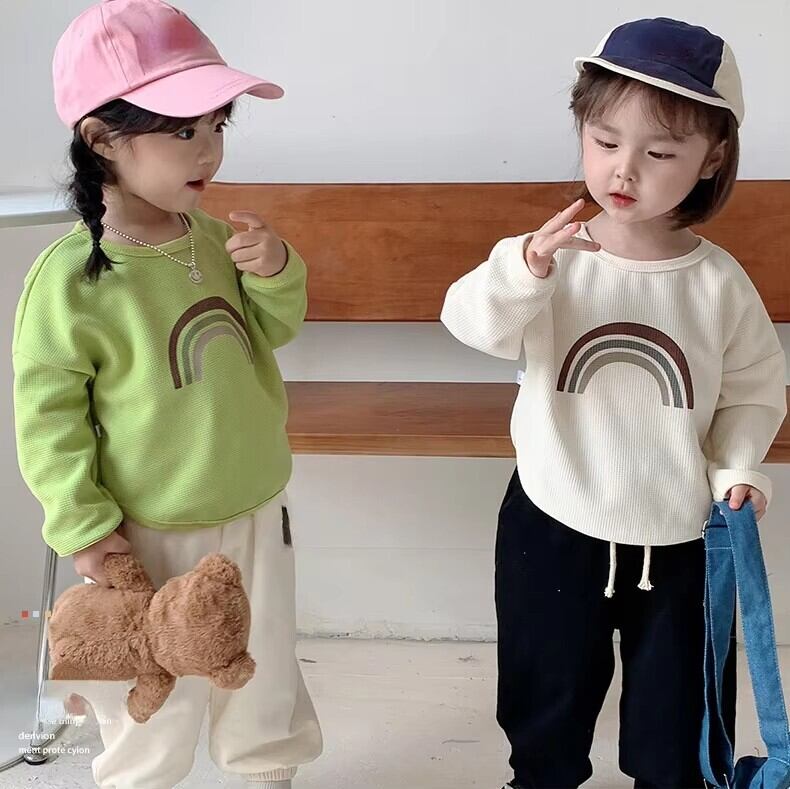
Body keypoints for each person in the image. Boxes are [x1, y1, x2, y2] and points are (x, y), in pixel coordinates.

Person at [441, 17, 787, 789]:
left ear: (712, 157)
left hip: (683, 531)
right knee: (545, 694)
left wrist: (735, 466)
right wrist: (526, 270)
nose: (623, 168)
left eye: (659, 153)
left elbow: (754, 387)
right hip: (553, 516)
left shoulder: (717, 282)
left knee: (679, 722)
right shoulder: (548, 257)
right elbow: (471, 324)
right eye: (604, 141)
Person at [13, 1, 322, 786]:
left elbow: (273, 329)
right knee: (153, 692)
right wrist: (82, 525)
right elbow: (48, 418)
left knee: (261, 670)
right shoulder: (71, 279)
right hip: (148, 530)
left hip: (256, 507)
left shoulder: (217, 240)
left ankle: (267, 773)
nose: (209, 148)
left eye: (218, 125)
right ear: (101, 139)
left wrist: (275, 271)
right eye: (183, 130)